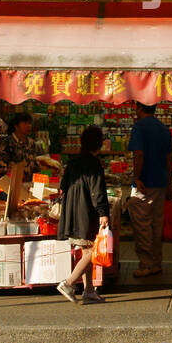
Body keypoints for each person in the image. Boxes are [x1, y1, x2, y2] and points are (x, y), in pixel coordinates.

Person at [55, 126, 110, 305]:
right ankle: (68, 283)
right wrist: (103, 212)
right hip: (86, 213)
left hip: (72, 213)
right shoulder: (94, 164)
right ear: (98, 144)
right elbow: (97, 192)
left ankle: (89, 291)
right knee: (94, 250)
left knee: (87, 250)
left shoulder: (73, 162)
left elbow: (63, 186)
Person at [127, 102, 172, 278]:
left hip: (144, 184)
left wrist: (137, 178)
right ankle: (156, 263)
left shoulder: (139, 127)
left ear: (139, 108)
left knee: (142, 225)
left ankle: (146, 265)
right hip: (161, 182)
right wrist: (169, 184)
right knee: (156, 225)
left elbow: (138, 154)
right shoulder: (163, 128)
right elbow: (169, 158)